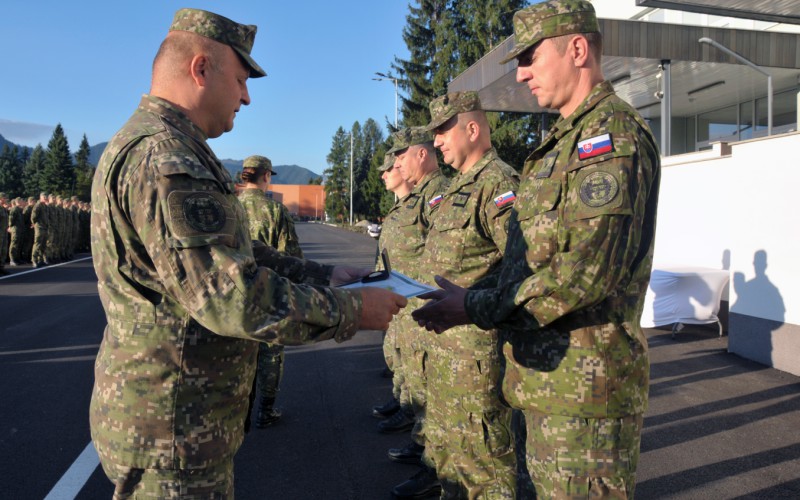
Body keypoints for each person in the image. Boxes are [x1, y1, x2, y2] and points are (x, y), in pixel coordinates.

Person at [89, 8, 406, 497]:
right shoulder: (166, 159)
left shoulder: (172, 148)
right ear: (200, 69)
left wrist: (324, 275)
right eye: (240, 79)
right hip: (174, 436)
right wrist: (353, 310)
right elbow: (229, 297)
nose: (246, 96)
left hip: (175, 425)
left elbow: (234, 253)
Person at [413, 1, 661, 497]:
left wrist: (474, 306)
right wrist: (463, 297)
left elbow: (585, 274)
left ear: (576, 49)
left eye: (530, 58)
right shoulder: (561, 144)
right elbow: (523, 261)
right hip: (549, 384)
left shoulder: (612, 137)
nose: (522, 74)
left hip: (585, 397)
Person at [399, 91, 520, 499]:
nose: (436, 142)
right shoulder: (457, 189)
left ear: (473, 128)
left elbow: (520, 271)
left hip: (475, 357)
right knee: (451, 461)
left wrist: (474, 304)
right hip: (444, 354)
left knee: (484, 467)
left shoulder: (499, 184)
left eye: (443, 131)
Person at [381, 127, 450, 499]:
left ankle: (435, 466)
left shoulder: (438, 195)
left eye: (400, 157)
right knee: (421, 386)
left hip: (434, 309)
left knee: (433, 395)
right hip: (415, 308)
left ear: (420, 155)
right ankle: (428, 455)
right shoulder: (416, 198)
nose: (395, 165)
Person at [237, 154, 301, 429]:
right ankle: (265, 409)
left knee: (239, 351)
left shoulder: (230, 208)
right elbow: (291, 257)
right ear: (265, 176)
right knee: (271, 352)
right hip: (269, 293)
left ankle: (240, 409)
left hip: (234, 295)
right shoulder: (276, 211)